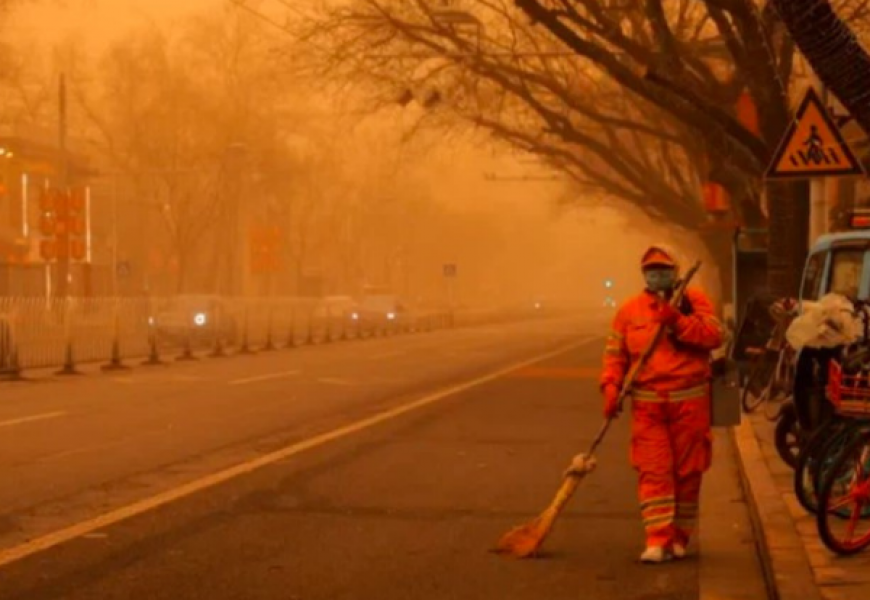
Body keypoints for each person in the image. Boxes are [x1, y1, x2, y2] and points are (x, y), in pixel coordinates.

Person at [599, 244, 723, 563]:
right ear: (643, 275)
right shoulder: (629, 311)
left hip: (690, 403)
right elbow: (615, 355)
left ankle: (679, 538)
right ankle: (657, 538)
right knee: (654, 470)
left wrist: (678, 321)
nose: (657, 276)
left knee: (687, 472)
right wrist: (611, 387)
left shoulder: (693, 301)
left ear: (675, 272)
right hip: (648, 406)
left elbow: (713, 336)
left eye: (663, 270)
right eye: (651, 271)